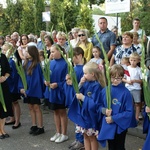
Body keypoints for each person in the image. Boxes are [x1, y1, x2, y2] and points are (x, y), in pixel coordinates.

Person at [98, 64, 136, 150]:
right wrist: (104, 110)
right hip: (109, 124)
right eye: (113, 77)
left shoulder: (126, 93)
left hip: (120, 126)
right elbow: (98, 106)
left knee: (119, 146)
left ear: (122, 77)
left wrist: (114, 118)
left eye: (118, 78)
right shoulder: (105, 90)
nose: (115, 80)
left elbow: (129, 112)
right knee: (111, 146)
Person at [68, 62, 106, 150]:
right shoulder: (86, 82)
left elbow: (95, 104)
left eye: (85, 73)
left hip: (91, 117)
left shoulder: (97, 86)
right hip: (84, 115)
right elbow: (77, 92)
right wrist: (80, 84)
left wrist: (83, 98)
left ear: (92, 74)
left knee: (92, 138)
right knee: (85, 135)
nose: (83, 75)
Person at [19, 44, 45, 135]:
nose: (25, 53)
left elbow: (36, 80)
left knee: (36, 107)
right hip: (27, 90)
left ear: (32, 53)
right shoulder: (25, 64)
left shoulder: (36, 65)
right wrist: (21, 88)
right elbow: (22, 77)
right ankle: (34, 125)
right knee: (30, 107)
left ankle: (40, 126)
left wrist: (28, 91)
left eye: (27, 51)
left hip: (33, 90)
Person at [45, 44, 68, 143]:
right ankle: (58, 132)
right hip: (52, 92)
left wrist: (58, 84)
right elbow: (45, 74)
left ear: (59, 51)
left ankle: (64, 133)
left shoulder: (65, 64)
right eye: (51, 52)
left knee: (62, 112)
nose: (51, 54)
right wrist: (45, 81)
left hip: (60, 92)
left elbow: (67, 80)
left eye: (53, 51)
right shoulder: (50, 63)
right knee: (55, 112)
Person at [64, 47, 85, 150]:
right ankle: (77, 139)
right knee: (76, 120)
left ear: (80, 56)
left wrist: (73, 83)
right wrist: (68, 79)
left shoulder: (83, 69)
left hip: (79, 99)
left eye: (74, 56)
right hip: (73, 97)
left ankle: (81, 141)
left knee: (79, 120)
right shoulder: (74, 68)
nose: (72, 59)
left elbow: (82, 85)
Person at [2, 43, 21, 129]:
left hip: (12, 85)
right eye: (3, 50)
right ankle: (12, 118)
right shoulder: (6, 59)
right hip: (7, 85)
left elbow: (14, 75)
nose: (4, 52)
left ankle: (17, 121)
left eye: (5, 50)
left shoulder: (12, 61)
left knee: (15, 103)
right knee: (11, 103)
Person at [122, 53, 142, 121]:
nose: (132, 62)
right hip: (128, 88)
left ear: (138, 61)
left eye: (134, 60)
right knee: (129, 103)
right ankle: (129, 116)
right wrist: (127, 81)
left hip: (136, 88)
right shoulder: (127, 69)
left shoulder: (139, 69)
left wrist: (135, 80)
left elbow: (142, 80)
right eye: (131, 60)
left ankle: (136, 117)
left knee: (137, 103)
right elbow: (123, 78)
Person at [0, 49, 13, 139]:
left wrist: (5, 77)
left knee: (3, 108)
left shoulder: (2, 56)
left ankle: (2, 129)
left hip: (3, 86)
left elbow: (8, 70)